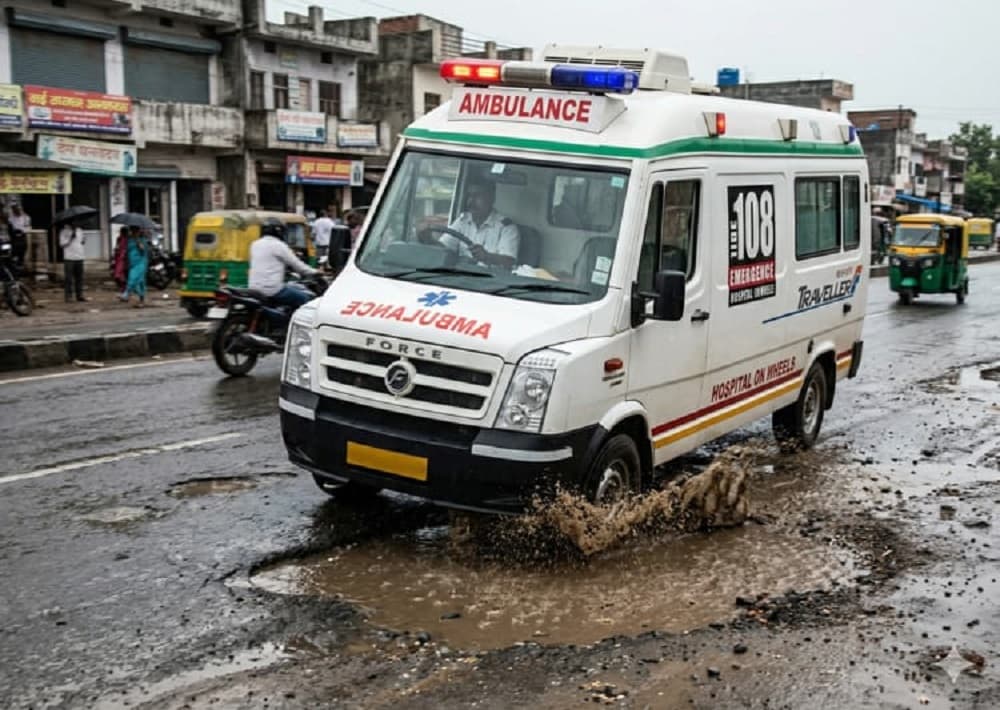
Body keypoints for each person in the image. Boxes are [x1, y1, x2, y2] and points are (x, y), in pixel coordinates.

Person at [427, 179, 520, 269]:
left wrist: (487, 256)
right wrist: (427, 239)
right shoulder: (462, 221)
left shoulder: (506, 227)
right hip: (460, 274)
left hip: (490, 280)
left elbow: (509, 262)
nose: (471, 201)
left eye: (477, 196)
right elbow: (444, 248)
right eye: (469, 196)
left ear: (491, 198)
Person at [248, 218, 319, 310]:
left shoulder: (255, 244)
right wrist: (315, 272)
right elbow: (298, 266)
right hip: (272, 290)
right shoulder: (279, 245)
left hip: (253, 288)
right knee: (305, 298)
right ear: (279, 231)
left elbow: (266, 263)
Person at [59, 219, 87, 302]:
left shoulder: (80, 230)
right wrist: (70, 238)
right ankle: (68, 296)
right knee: (68, 278)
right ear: (70, 223)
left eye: (77, 222)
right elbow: (62, 244)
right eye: (74, 222)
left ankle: (80, 295)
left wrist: (84, 239)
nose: (76, 224)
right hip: (69, 258)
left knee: (79, 278)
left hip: (79, 257)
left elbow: (82, 242)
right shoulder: (64, 232)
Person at [124, 226, 149, 307]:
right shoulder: (130, 240)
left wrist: (139, 245)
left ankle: (126, 293)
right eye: (132, 231)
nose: (133, 233)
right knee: (139, 282)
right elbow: (128, 251)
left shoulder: (142, 240)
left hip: (140, 263)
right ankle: (141, 300)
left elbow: (143, 251)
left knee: (134, 278)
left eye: (135, 231)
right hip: (132, 262)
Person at [8, 204, 30, 269]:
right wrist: (13, 232)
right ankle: (14, 267)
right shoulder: (11, 218)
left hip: (22, 238)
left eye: (17, 209)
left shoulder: (26, 218)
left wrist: (22, 231)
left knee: (21, 254)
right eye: (14, 209)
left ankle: (20, 266)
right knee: (13, 254)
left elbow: (28, 228)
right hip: (14, 238)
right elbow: (9, 228)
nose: (15, 210)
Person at [111, 226, 129, 299]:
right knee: (118, 276)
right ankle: (123, 291)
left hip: (124, 259)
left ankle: (125, 292)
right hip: (118, 258)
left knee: (121, 276)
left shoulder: (128, 239)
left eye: (122, 232)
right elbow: (117, 246)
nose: (121, 233)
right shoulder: (119, 238)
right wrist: (116, 250)